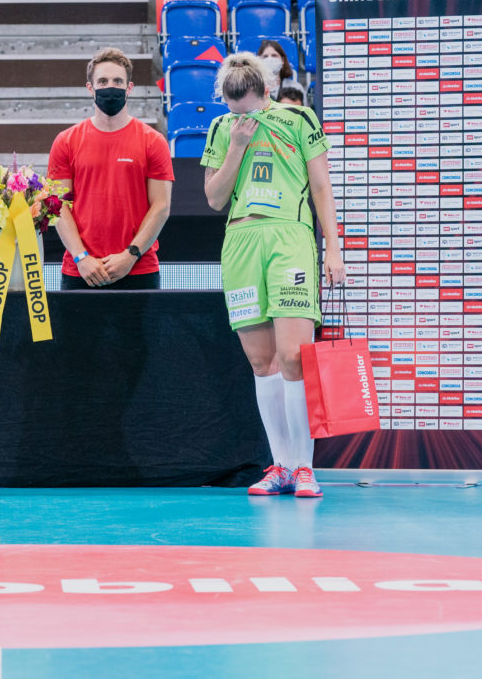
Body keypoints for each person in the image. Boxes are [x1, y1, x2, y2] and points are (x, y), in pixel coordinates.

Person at [201, 53, 345, 498]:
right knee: (261, 363)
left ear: (266, 92)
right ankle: (280, 465)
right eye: (234, 111)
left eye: (249, 109)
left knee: (293, 357)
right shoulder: (222, 129)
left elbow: (321, 186)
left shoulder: (299, 119)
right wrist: (239, 145)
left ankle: (305, 467)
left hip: (290, 241)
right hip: (242, 244)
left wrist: (333, 248)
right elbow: (214, 198)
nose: (242, 118)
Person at [49, 47, 175, 290]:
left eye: (118, 81)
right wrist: (81, 257)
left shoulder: (153, 141)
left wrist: (131, 255)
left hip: (139, 269)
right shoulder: (66, 141)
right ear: (90, 88)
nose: (111, 87)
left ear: (129, 88)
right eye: (103, 81)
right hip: (81, 272)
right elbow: (58, 206)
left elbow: (161, 206)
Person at [257, 39, 303, 103]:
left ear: (282, 60)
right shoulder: (254, 89)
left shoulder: (295, 87)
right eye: (265, 56)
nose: (270, 59)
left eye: (274, 55)